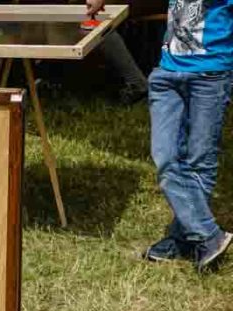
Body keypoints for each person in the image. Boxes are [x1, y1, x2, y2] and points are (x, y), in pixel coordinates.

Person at [88, 0, 232, 270]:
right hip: (167, 75)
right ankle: (209, 234)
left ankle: (183, 238)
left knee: (200, 160)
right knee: (165, 158)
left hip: (210, 76)